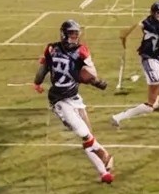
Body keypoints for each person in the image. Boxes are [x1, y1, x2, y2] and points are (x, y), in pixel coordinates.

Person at [34, 19, 114, 183]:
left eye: (76, 34)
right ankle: (104, 154)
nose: (74, 37)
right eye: (71, 34)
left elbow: (91, 73)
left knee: (88, 135)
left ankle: (103, 172)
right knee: (83, 133)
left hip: (74, 97)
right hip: (59, 99)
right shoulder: (52, 48)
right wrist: (37, 82)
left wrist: (94, 81)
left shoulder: (81, 50)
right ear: (63, 34)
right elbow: (44, 68)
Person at [112, 2, 159, 127]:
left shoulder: (150, 21)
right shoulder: (156, 26)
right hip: (150, 60)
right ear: (155, 14)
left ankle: (156, 103)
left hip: (156, 59)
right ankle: (119, 117)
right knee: (150, 105)